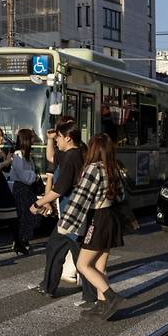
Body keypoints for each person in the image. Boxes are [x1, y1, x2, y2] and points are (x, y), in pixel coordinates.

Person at [28, 123, 96, 304]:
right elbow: (51, 156)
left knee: (70, 252)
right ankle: (52, 287)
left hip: (72, 213)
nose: (56, 139)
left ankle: (93, 296)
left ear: (68, 138)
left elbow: (60, 189)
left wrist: (38, 203)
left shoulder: (71, 157)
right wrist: (49, 139)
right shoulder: (72, 154)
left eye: (58, 137)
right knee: (65, 250)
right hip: (73, 213)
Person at [62, 133, 126, 321]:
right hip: (112, 218)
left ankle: (111, 297)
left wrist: (65, 223)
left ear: (94, 149)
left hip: (98, 218)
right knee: (100, 266)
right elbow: (122, 196)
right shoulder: (113, 167)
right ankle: (103, 305)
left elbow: (80, 197)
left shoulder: (93, 169)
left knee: (83, 264)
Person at [10, 128, 42, 250]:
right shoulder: (18, 155)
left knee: (30, 215)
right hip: (21, 189)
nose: (34, 140)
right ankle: (20, 240)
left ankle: (24, 238)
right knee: (23, 215)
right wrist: (35, 176)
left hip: (28, 189)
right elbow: (24, 176)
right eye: (32, 137)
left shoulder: (27, 155)